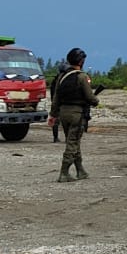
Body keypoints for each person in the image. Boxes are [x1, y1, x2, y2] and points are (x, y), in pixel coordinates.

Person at [48, 47, 98, 182]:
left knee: (74, 142)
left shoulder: (61, 77)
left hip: (63, 114)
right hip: (77, 114)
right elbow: (90, 97)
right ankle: (64, 173)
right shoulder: (82, 77)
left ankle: (80, 170)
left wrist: (53, 115)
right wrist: (96, 101)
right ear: (81, 61)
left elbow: (56, 98)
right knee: (73, 143)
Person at [48, 60, 70, 142]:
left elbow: (52, 93)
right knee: (66, 121)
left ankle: (55, 137)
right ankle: (66, 137)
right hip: (64, 104)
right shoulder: (66, 79)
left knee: (56, 121)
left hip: (56, 103)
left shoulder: (55, 80)